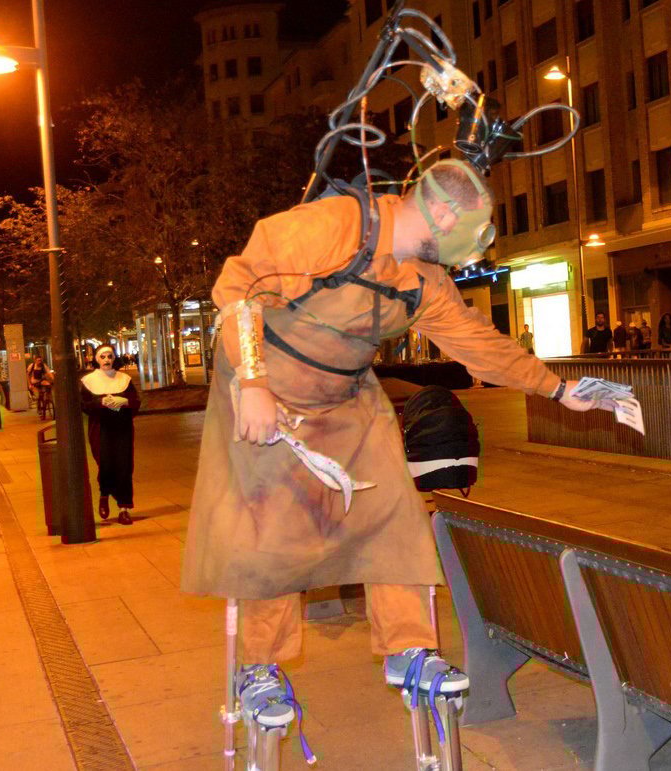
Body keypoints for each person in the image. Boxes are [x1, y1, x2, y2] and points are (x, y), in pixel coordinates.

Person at [180, 158, 599, 737]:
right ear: (443, 214)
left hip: (347, 395)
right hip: (269, 388)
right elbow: (239, 289)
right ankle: (258, 668)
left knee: (394, 512)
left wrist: (557, 388)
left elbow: (476, 342)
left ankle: (409, 650)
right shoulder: (333, 226)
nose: (468, 252)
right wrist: (251, 382)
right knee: (273, 528)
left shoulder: (422, 280)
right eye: (470, 234)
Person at [80, 344, 141, 525]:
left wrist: (124, 401)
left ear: (114, 358)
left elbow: (135, 402)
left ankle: (124, 508)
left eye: (110, 356)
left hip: (122, 427)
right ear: (96, 359)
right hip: (101, 428)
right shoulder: (88, 381)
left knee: (124, 466)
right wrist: (100, 403)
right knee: (105, 464)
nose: (106, 360)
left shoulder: (124, 379)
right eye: (103, 357)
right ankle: (104, 494)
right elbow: (84, 405)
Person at [27, 354, 53, 419]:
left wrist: (53, 379)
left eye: (40, 360)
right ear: (35, 361)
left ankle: (48, 397)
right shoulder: (32, 366)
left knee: (48, 385)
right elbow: (28, 375)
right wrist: (29, 384)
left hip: (41, 381)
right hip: (34, 382)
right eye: (38, 360)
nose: (39, 362)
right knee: (38, 396)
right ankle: (39, 409)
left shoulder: (44, 365)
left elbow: (49, 373)